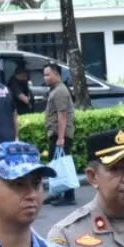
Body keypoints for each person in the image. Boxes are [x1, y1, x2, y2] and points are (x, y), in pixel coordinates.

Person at [42, 64, 75, 206]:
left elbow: (62, 115)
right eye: (45, 75)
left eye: (48, 74)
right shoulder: (55, 90)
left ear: (56, 74)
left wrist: (61, 138)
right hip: (56, 133)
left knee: (63, 163)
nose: (45, 78)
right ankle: (56, 192)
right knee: (56, 164)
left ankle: (69, 196)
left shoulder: (60, 91)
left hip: (60, 134)